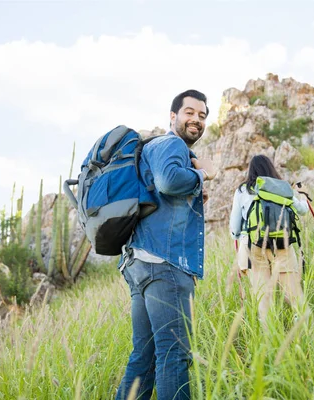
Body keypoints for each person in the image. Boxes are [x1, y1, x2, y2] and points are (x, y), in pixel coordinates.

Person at [115, 89, 217, 400]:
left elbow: (164, 188)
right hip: (165, 264)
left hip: (141, 263)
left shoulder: (156, 148)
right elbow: (169, 181)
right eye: (189, 112)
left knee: (143, 358)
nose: (196, 120)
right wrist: (202, 174)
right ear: (172, 116)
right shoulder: (170, 143)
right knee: (174, 354)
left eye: (202, 116)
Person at [229, 154, 309, 330]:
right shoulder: (281, 187)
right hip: (282, 244)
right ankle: (309, 336)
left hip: (253, 247)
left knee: (264, 298)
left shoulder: (243, 190)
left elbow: (234, 227)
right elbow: (302, 210)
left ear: (251, 171)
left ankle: (270, 342)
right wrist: (305, 199)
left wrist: (238, 236)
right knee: (294, 295)